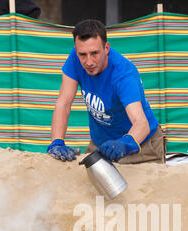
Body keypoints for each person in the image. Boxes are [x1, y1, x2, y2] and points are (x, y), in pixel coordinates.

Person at [47, 19, 166, 164]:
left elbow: (141, 123)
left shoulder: (124, 74)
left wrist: (125, 143)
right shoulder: (76, 57)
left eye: (95, 53)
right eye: (82, 54)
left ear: (107, 48)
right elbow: (64, 102)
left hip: (141, 145)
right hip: (101, 143)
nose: (89, 62)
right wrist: (57, 142)